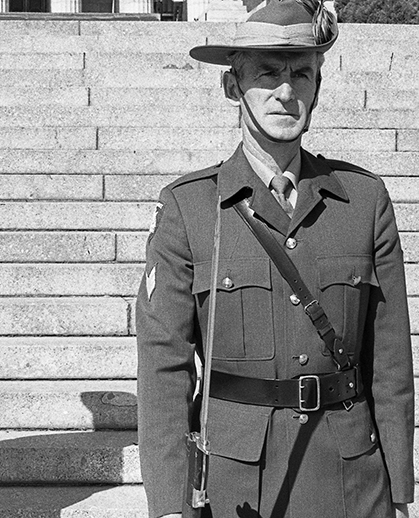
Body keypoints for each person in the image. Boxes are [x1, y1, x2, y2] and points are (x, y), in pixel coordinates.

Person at [135, 1, 414, 517]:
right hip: (236, 483)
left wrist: (399, 492)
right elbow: (165, 369)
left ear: (318, 88)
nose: (287, 92)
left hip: (351, 477)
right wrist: (171, 503)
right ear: (232, 87)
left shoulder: (364, 201)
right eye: (267, 72)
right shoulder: (190, 208)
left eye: (301, 74)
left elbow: (390, 362)